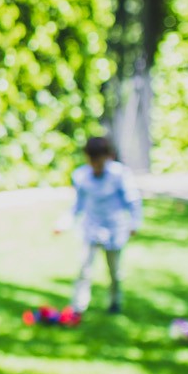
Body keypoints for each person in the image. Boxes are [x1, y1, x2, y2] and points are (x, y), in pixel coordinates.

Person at [58, 134, 143, 314]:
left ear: (107, 156)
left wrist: (134, 223)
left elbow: (133, 200)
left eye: (98, 159)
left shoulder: (120, 175)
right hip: (91, 228)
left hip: (114, 229)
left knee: (115, 272)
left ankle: (115, 302)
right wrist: (64, 223)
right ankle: (78, 306)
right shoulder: (81, 176)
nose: (95, 163)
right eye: (91, 159)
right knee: (84, 269)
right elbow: (77, 205)